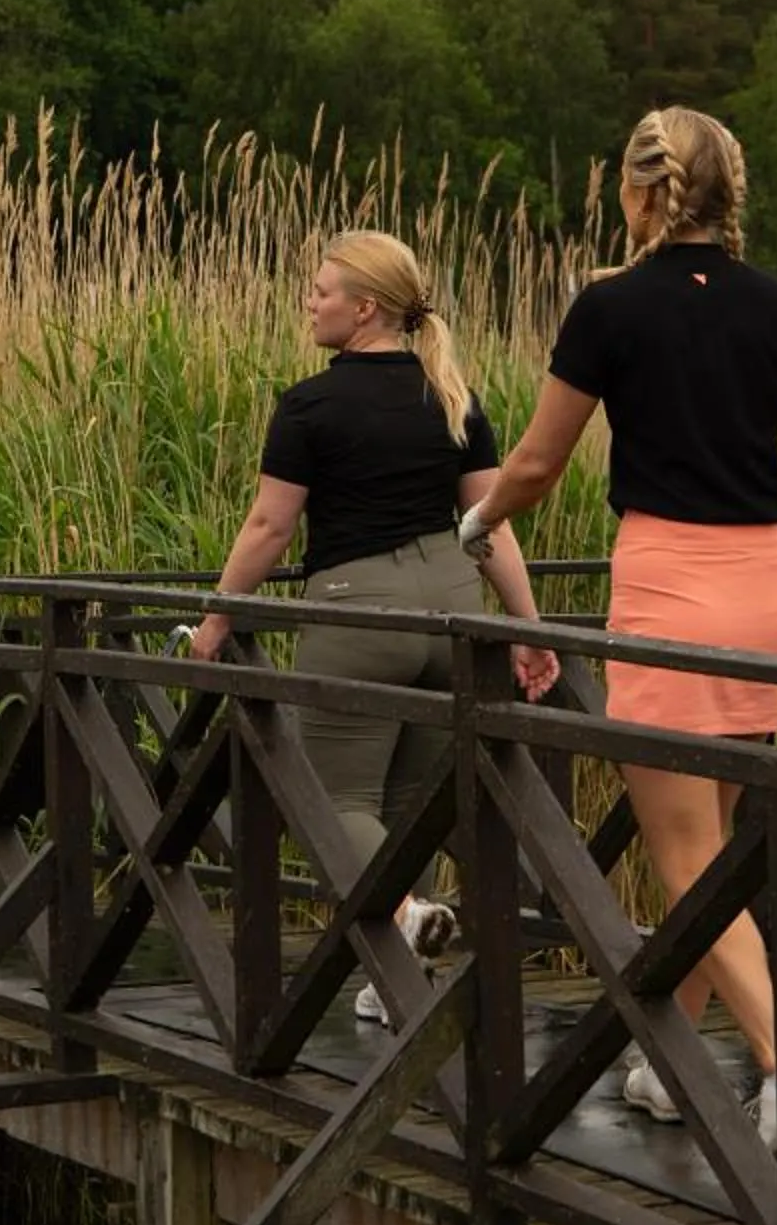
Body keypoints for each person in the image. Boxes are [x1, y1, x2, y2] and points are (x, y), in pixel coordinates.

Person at [455, 107, 777, 1147]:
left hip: (667, 579)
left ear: (638, 194)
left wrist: (477, 521)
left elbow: (533, 462)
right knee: (712, 843)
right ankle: (670, 1063)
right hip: (765, 581)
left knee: (683, 856)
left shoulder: (609, 307)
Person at [180, 230, 559, 1026]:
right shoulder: (452, 396)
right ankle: (394, 978)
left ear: (366, 308)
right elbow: (494, 526)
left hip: (360, 612)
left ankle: (408, 922)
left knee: (330, 798)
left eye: (321, 291)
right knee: (407, 804)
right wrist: (529, 629)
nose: (308, 302)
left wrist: (217, 619)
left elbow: (267, 528)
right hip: (454, 613)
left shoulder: (311, 404)